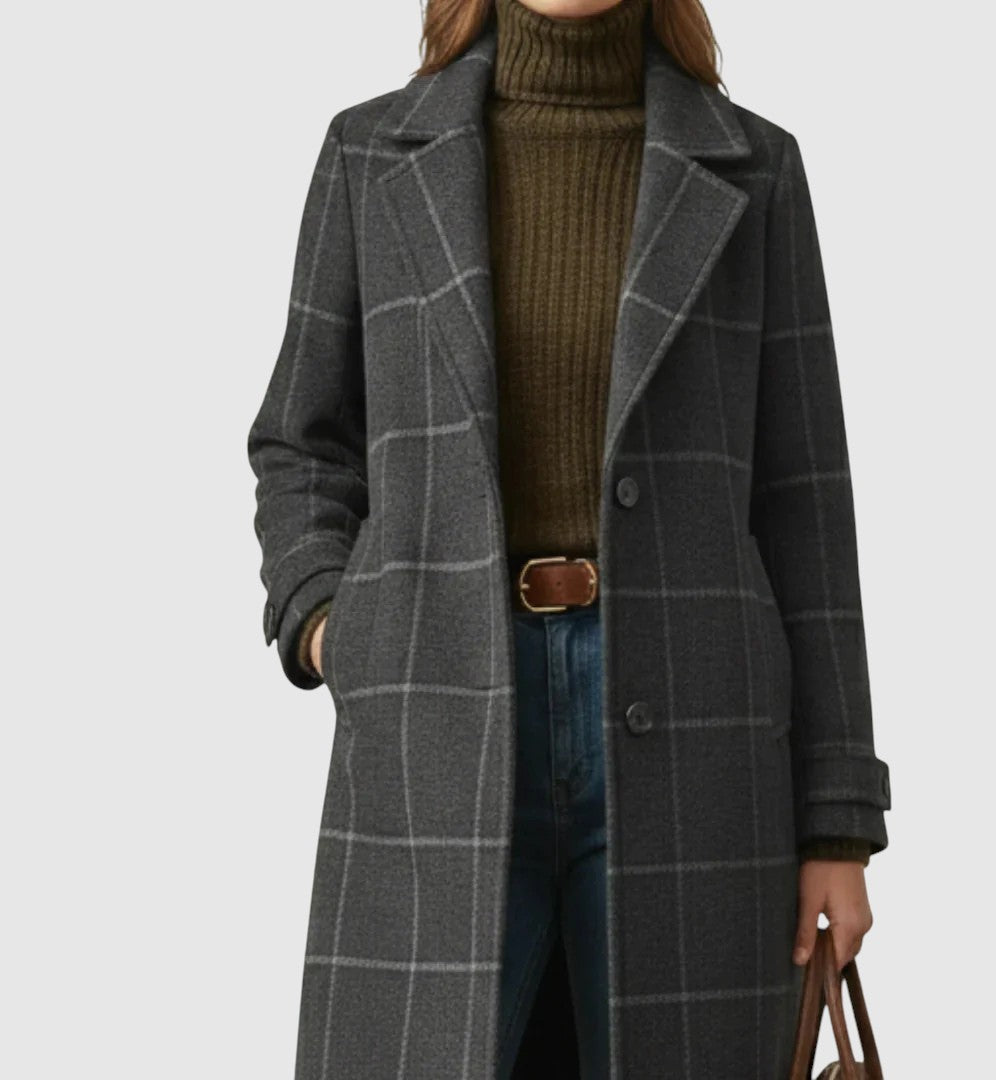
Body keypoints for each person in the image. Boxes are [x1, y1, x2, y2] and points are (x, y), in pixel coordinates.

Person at [246, 1, 892, 1076]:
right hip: (434, 718)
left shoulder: (755, 168)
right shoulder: (371, 155)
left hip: (701, 741)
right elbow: (302, 442)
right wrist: (330, 622)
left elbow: (805, 502)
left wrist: (838, 823)